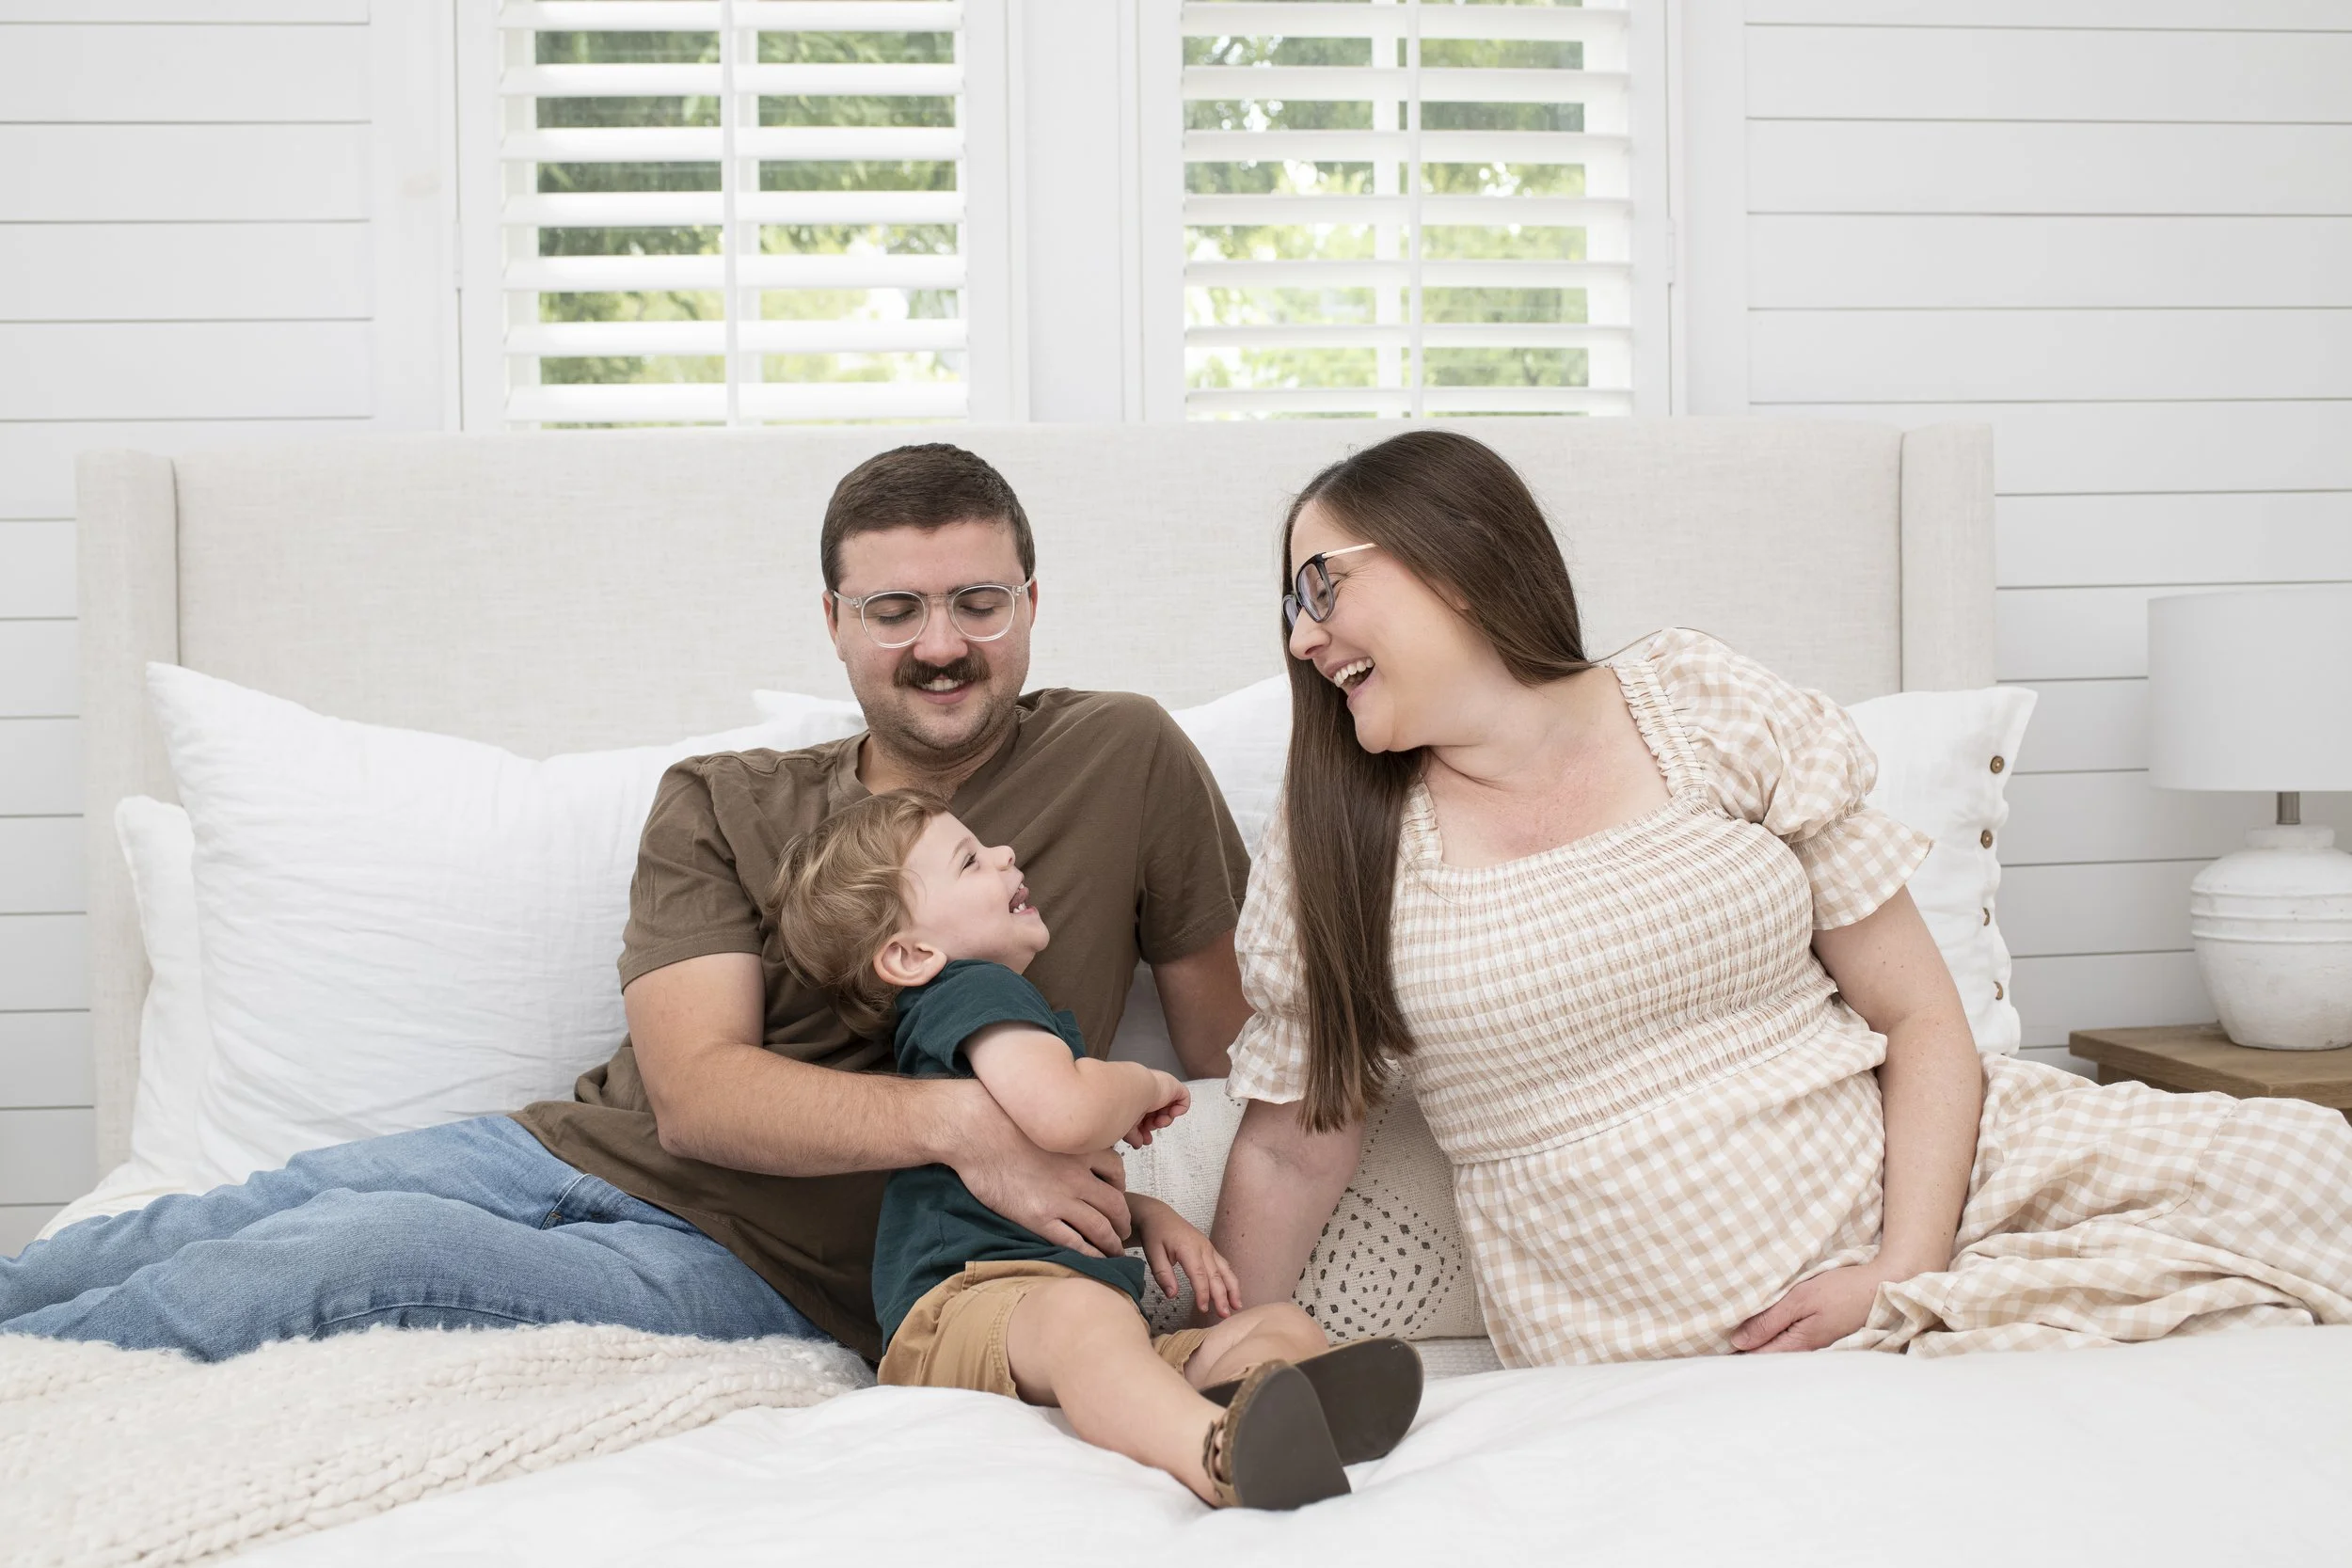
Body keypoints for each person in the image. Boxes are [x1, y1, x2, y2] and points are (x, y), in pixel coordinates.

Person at [3, 443, 1256, 1363]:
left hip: (749, 1262)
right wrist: (973, 1126)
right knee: (233, 1210)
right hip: (556, 1146)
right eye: (895, 611)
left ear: (1030, 603)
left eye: (978, 603)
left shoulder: (1125, 754)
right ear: (834, 622)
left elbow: (1231, 1066)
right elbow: (698, 1094)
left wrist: (1149, 1221)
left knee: (336, 1256)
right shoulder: (722, 797)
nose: (941, 644)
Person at [1209, 428, 2352, 1365]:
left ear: (1455, 556)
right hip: (1674, 1337)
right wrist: (1219, 1355)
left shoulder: (1697, 702)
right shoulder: (1338, 845)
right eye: (1289, 606)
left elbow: (1918, 1012)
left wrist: (1902, 1267)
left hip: (1934, 1199)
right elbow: (1290, 1151)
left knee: (2309, 1162)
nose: (1302, 636)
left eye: (1320, 585)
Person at [771, 790, 1421, 1508]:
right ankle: (1215, 1452)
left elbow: (1048, 1184)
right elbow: (1065, 1115)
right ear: (912, 953)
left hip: (1052, 1323)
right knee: (1085, 1317)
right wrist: (1139, 1081)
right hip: (959, 1314)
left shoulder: (1000, 1024)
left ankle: (1254, 1403)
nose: (1004, 853)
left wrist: (1146, 1215)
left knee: (1275, 1323)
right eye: (970, 861)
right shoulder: (970, 991)